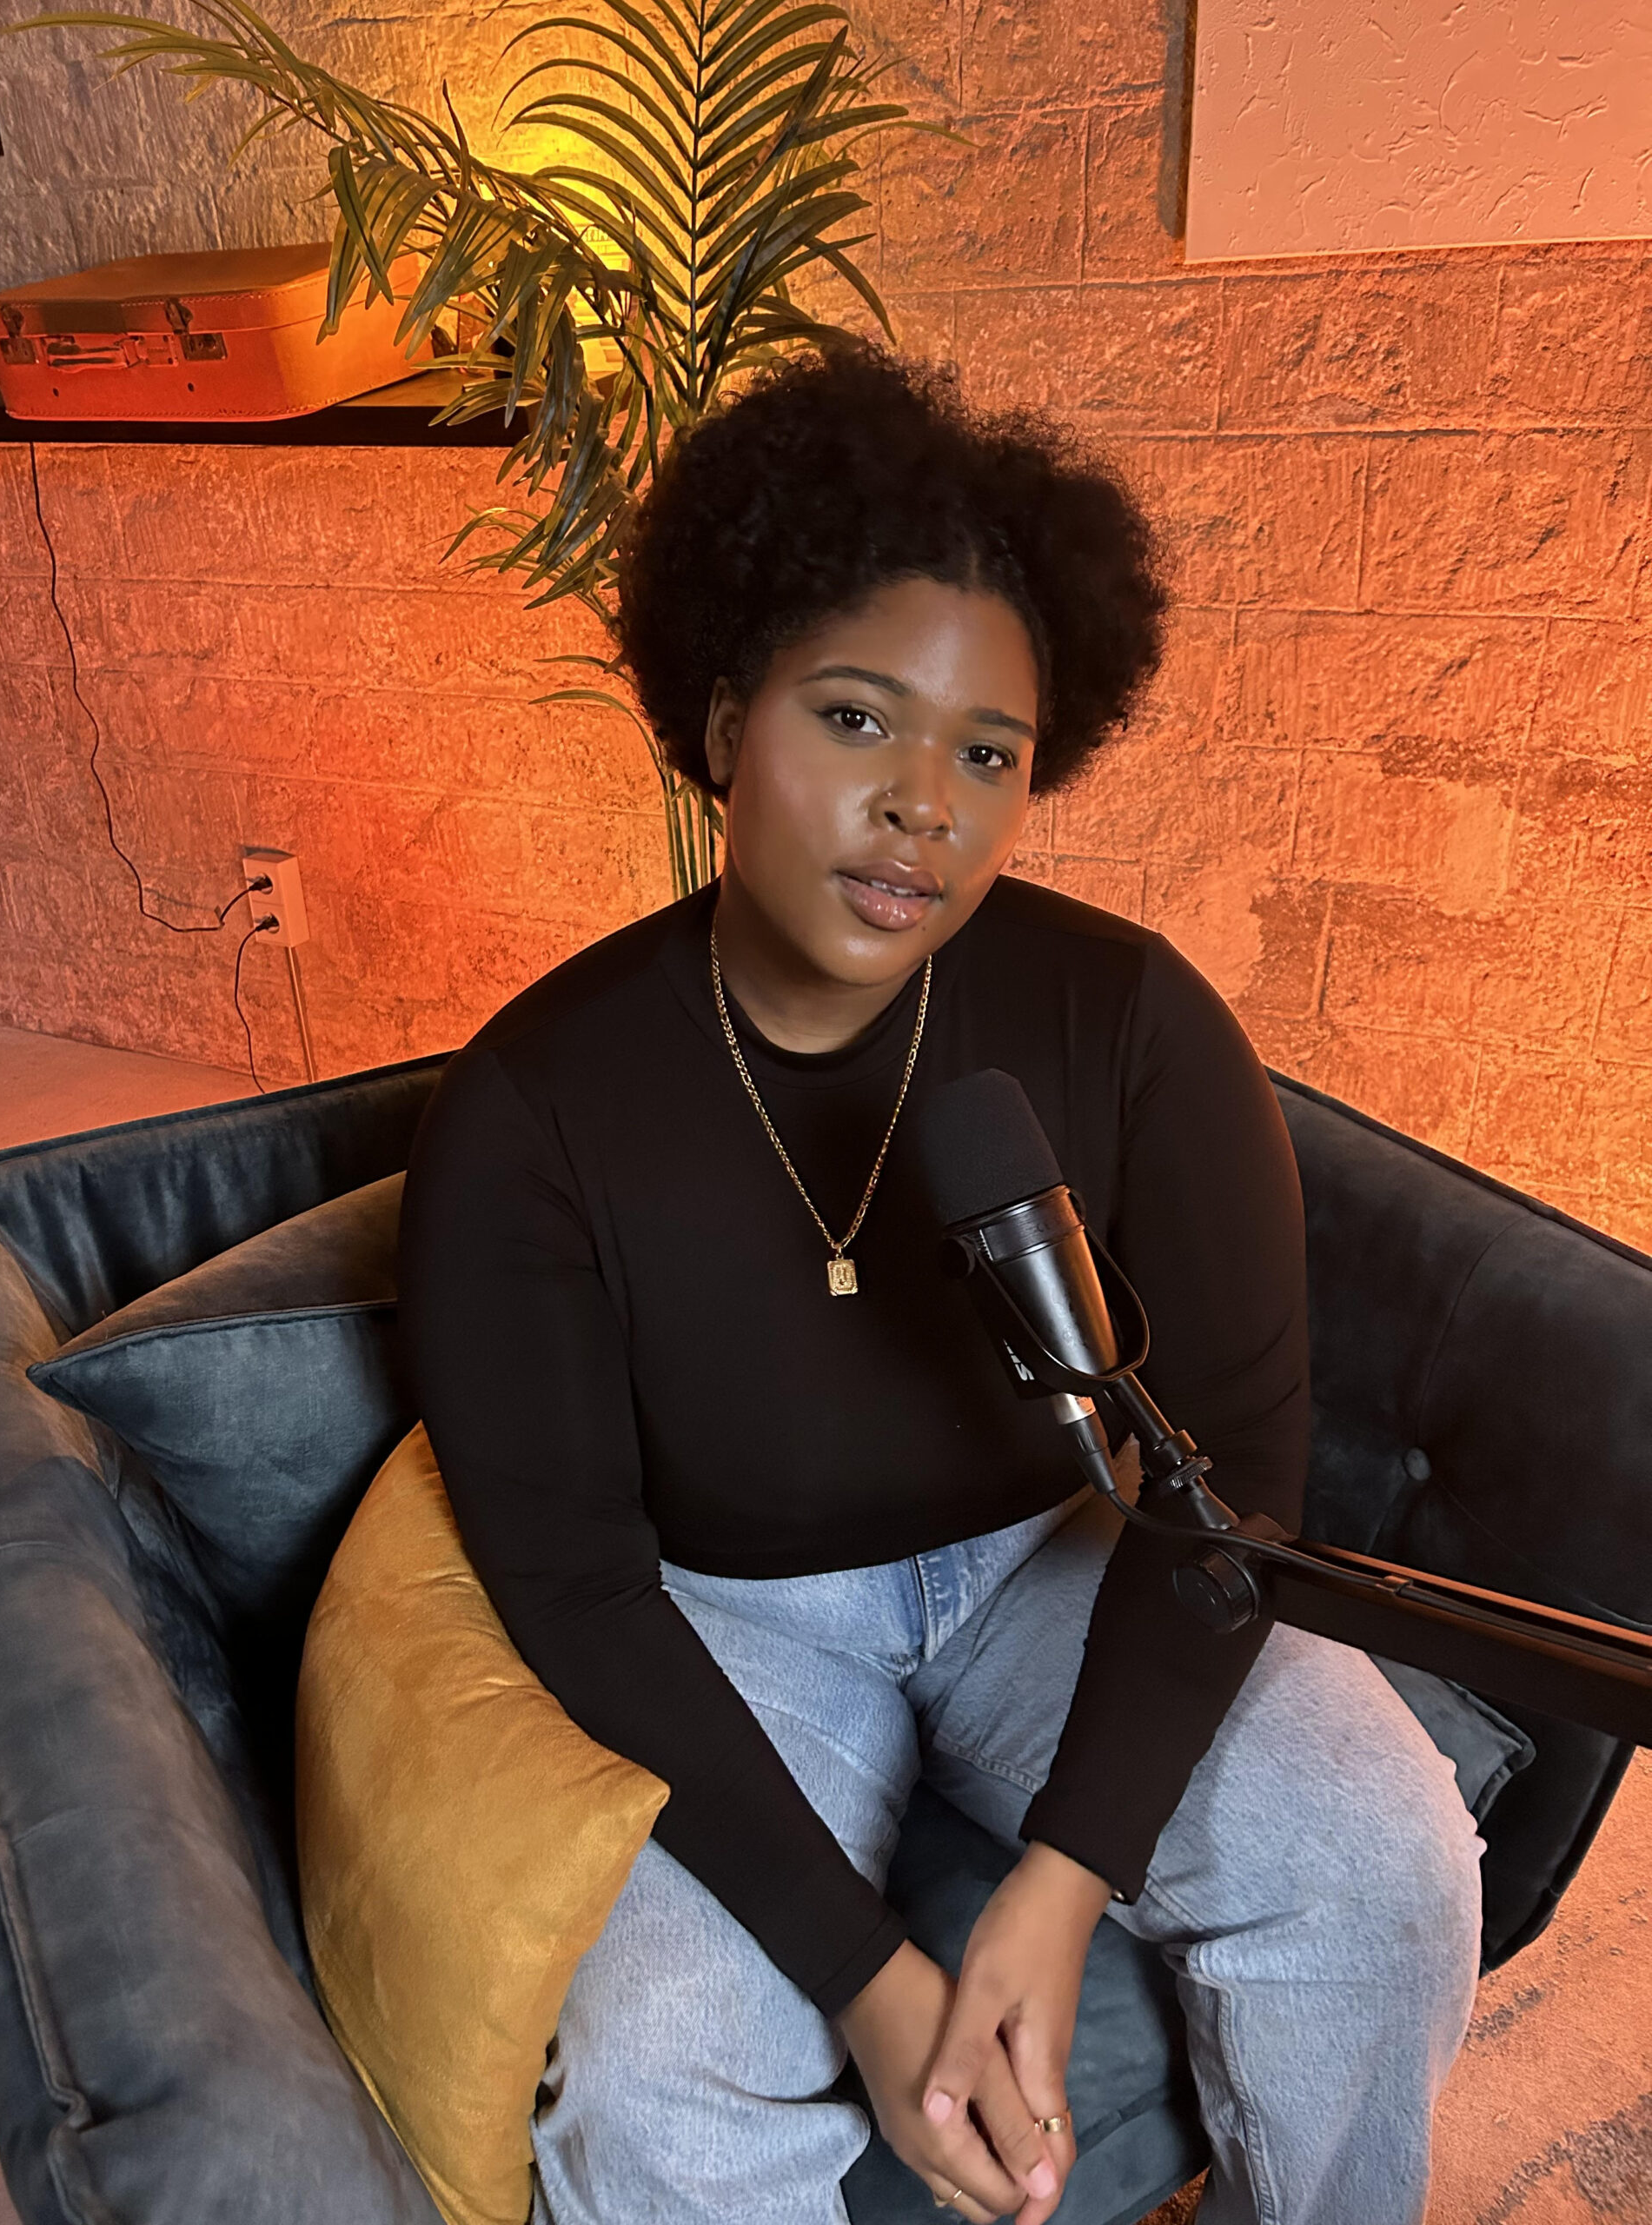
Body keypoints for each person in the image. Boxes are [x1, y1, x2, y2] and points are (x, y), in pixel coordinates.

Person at [399, 346, 1483, 2225]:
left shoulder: (1132, 1020)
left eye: (988, 754)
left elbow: (1237, 1472)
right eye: (856, 719)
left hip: (1046, 1556)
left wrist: (1067, 1876)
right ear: (722, 716)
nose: (924, 808)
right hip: (724, 1618)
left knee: (1384, 1854)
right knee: (654, 2086)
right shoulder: (533, 1107)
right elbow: (571, 1584)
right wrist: (870, 1976)